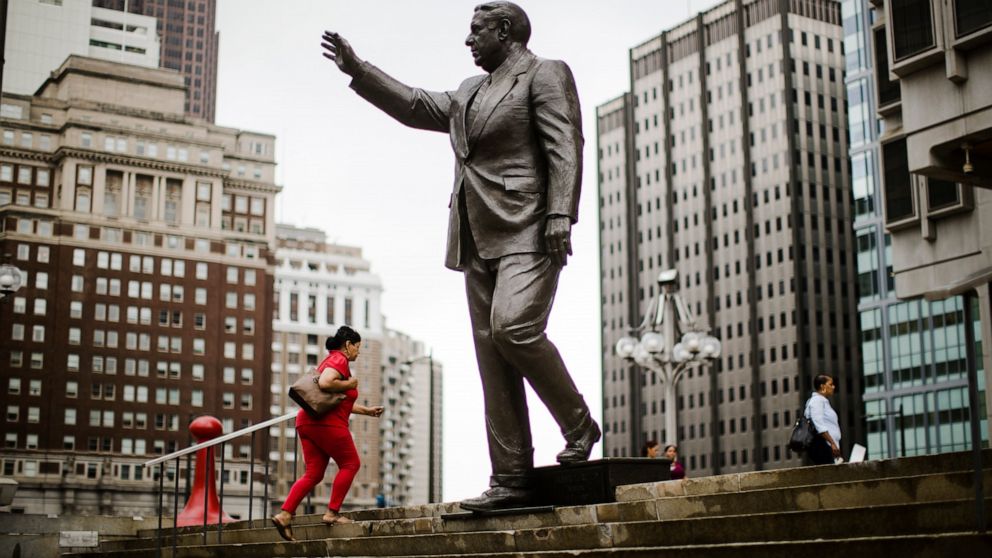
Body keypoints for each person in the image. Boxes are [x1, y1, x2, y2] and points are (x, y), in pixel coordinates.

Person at [320, 2, 599, 512]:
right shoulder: (470, 92)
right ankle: (510, 477)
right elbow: (415, 104)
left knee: (514, 328)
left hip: (530, 227)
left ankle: (579, 424)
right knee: (492, 357)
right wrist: (360, 71)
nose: (467, 40)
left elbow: (566, 147)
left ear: (505, 30)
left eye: (476, 31)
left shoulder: (545, 74)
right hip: (474, 234)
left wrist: (562, 213)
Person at [271, 326, 384, 541]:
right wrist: (350, 382)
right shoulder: (339, 360)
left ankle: (285, 514)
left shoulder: (329, 360)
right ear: (348, 345)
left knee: (313, 474)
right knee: (351, 464)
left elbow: (334, 401)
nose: (358, 352)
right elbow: (325, 383)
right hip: (327, 425)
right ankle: (332, 513)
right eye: (357, 347)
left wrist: (366, 411)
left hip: (307, 422)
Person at [804, 374, 842, 466]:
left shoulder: (822, 401)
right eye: (831, 384)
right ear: (823, 386)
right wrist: (832, 443)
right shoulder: (817, 400)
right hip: (822, 445)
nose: (833, 387)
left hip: (827, 446)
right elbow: (819, 424)